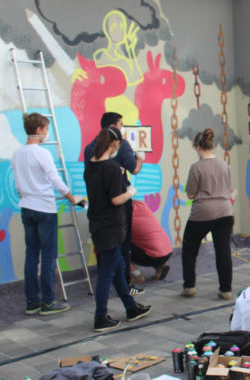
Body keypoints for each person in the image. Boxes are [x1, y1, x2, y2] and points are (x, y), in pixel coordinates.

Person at [83, 127, 151, 332]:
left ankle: (131, 308)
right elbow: (115, 199)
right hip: (111, 226)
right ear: (114, 144)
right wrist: (130, 191)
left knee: (119, 267)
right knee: (107, 272)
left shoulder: (90, 167)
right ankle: (100, 316)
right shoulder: (111, 168)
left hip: (98, 224)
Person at [12, 113, 79, 316]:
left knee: (31, 255)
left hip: (26, 207)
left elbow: (17, 185)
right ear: (39, 130)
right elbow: (54, 179)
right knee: (49, 257)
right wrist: (70, 196)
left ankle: (32, 302)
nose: (47, 133)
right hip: (44, 208)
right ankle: (48, 302)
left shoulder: (16, 154)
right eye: (46, 129)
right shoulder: (41, 153)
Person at [84, 112, 145, 296]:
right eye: (121, 124)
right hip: (116, 205)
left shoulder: (89, 150)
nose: (122, 128)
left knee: (107, 249)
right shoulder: (113, 164)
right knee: (122, 243)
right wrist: (140, 158)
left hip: (96, 205)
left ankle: (124, 294)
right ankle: (122, 286)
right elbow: (133, 171)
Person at [181, 128, 234, 300]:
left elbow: (190, 193)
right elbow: (228, 188)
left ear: (198, 147)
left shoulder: (196, 167)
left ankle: (189, 286)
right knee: (223, 250)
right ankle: (225, 289)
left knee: (189, 247)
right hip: (225, 210)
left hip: (203, 212)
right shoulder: (224, 164)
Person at [129, 200, 172, 282]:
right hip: (167, 250)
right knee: (147, 243)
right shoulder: (140, 204)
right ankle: (161, 266)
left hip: (153, 256)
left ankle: (136, 275)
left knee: (119, 247)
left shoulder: (123, 215)